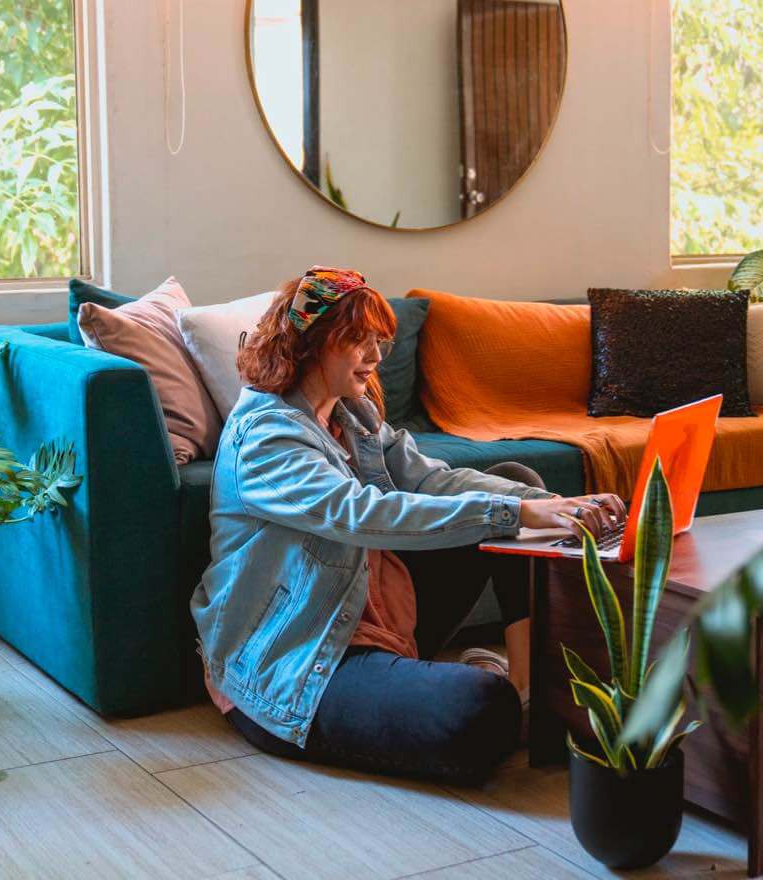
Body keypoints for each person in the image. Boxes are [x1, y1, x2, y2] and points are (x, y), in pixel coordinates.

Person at [190, 267, 625, 784]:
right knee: (479, 708)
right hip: (299, 659)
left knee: (511, 479)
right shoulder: (265, 438)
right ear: (311, 344)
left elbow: (432, 480)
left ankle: (527, 690)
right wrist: (517, 513)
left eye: (378, 341)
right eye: (359, 341)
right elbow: (361, 512)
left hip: (374, 610)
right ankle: (495, 695)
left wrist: (553, 503)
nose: (375, 358)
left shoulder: (352, 414)